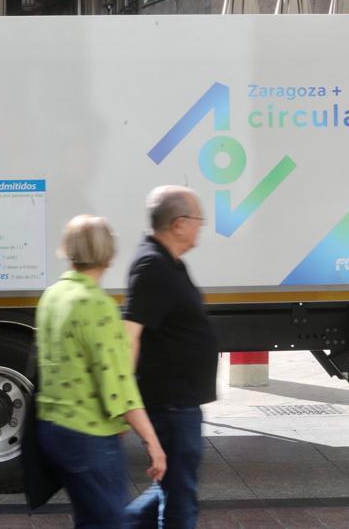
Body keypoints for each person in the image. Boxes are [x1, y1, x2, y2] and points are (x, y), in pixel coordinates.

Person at [35, 215, 167, 528]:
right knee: (110, 522)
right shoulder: (97, 304)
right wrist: (152, 442)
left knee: (90, 519)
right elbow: (117, 385)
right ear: (108, 254)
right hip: (89, 435)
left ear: (69, 249)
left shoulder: (52, 295)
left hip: (54, 429)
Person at [123, 186, 220, 529]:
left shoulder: (170, 262)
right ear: (179, 223)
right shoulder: (152, 265)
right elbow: (129, 337)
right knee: (180, 501)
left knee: (173, 488)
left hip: (181, 402)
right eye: (198, 219)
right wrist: (124, 402)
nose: (201, 226)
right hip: (171, 405)